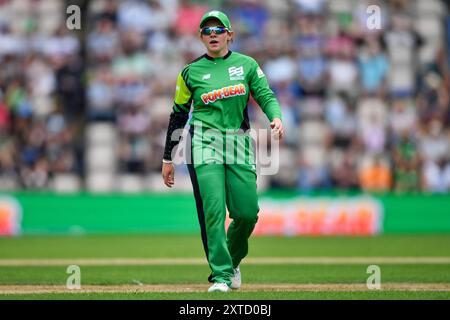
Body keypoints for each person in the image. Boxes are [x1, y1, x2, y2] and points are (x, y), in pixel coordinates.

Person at [161, 10, 284, 292]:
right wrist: (168, 157)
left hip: (238, 142)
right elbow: (177, 116)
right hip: (203, 143)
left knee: (247, 213)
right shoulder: (190, 72)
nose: (212, 34)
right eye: (206, 30)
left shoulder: (247, 65)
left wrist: (275, 116)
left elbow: (265, 95)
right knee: (213, 210)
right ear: (200, 37)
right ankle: (220, 276)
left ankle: (232, 261)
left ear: (230, 35)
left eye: (218, 29)